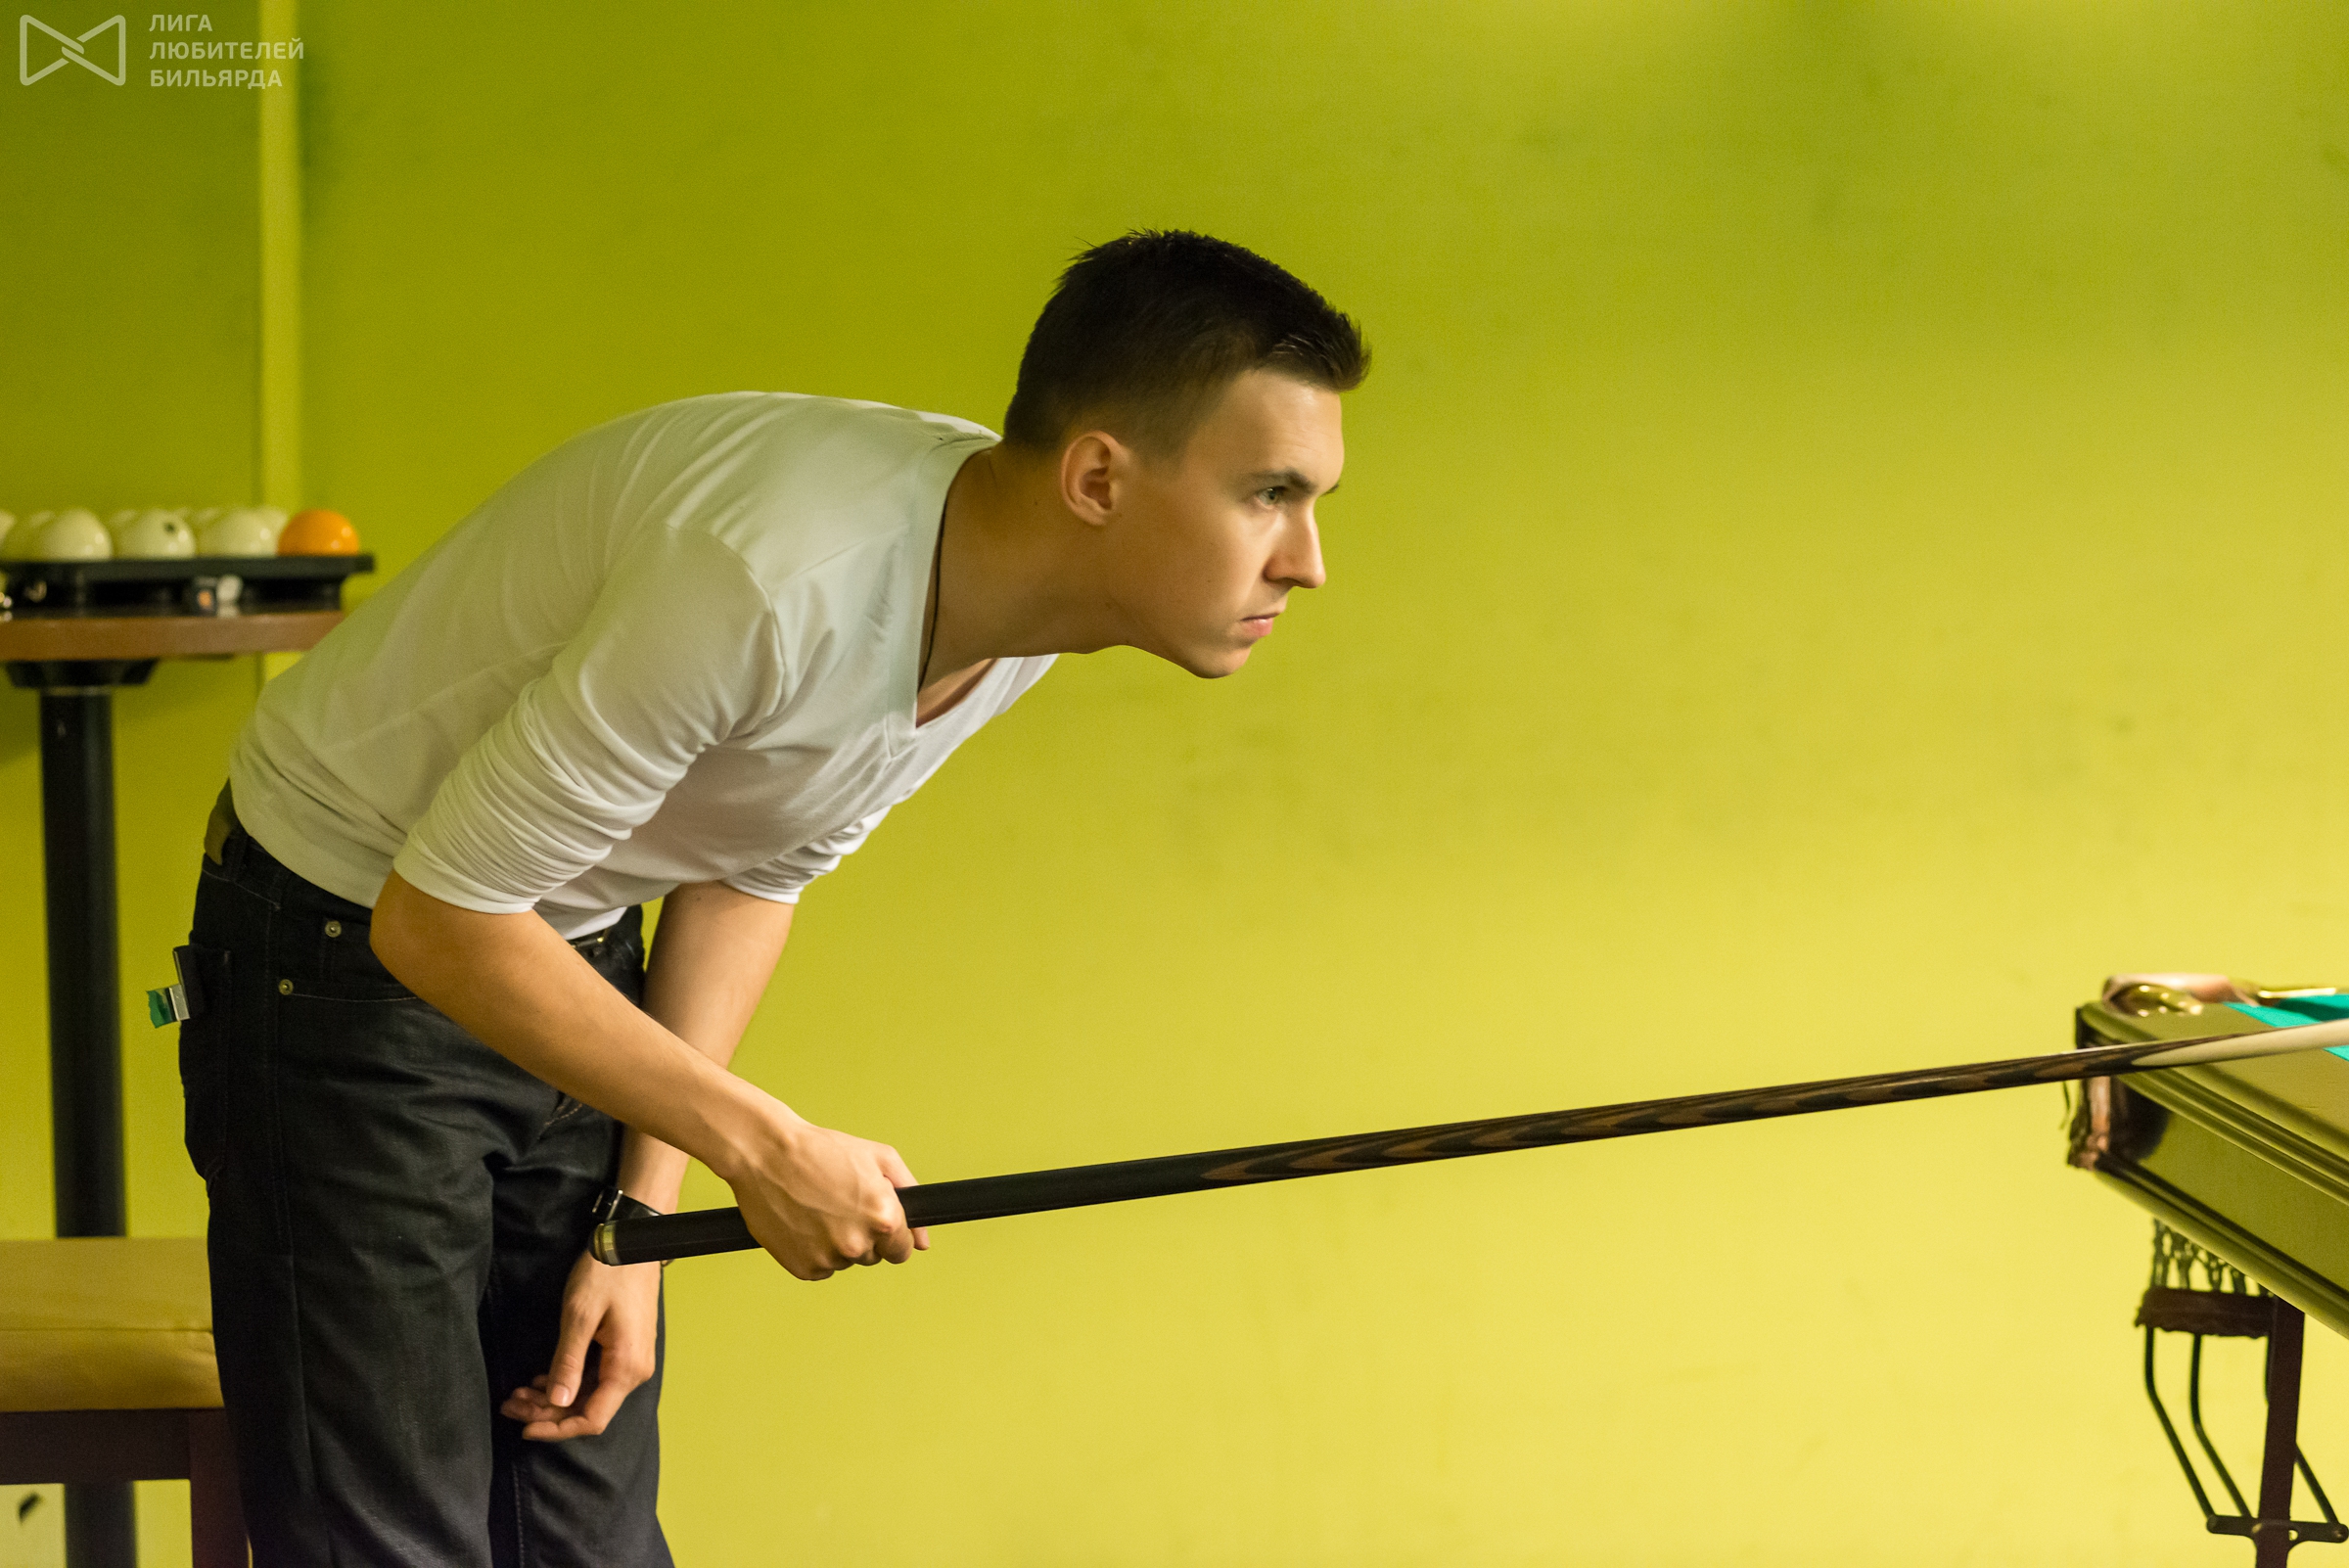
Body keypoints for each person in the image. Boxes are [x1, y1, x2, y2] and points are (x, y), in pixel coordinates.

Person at [177, 229, 1367, 1565]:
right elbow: (437, 917)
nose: (1307, 559)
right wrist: (764, 1149)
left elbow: (753, 868)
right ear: (1098, 476)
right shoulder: (772, 576)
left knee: (587, 1525)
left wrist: (641, 1222)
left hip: (561, 950)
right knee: (396, 1543)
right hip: (341, 951)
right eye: (1270, 494)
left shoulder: (1025, 602)